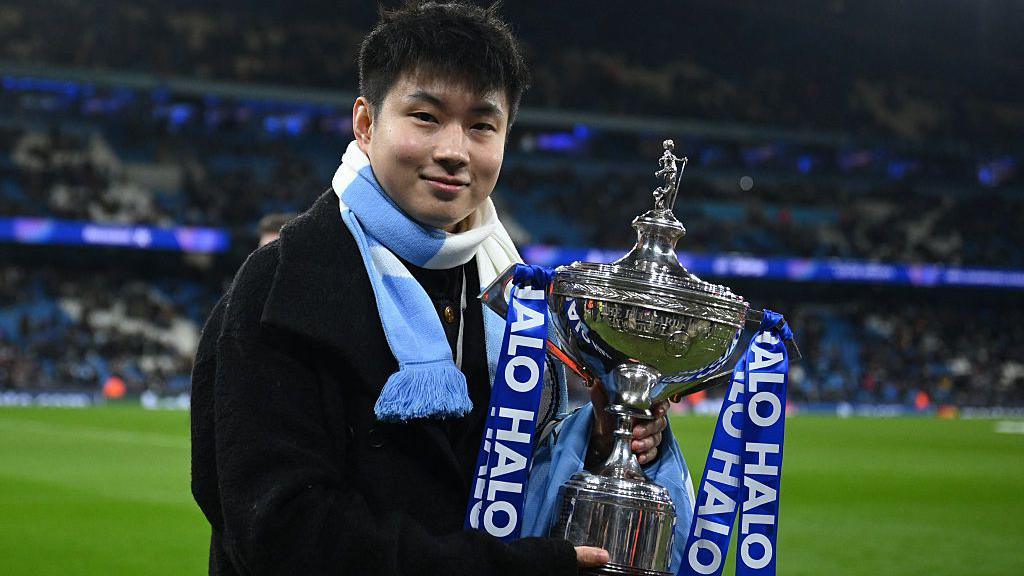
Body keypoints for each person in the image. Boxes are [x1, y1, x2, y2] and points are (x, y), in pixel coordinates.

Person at [190, 2, 673, 574]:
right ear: (366, 125)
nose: (454, 150)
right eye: (425, 117)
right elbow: (280, 533)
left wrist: (603, 443)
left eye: (481, 126)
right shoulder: (283, 284)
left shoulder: (512, 293)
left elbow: (514, 479)